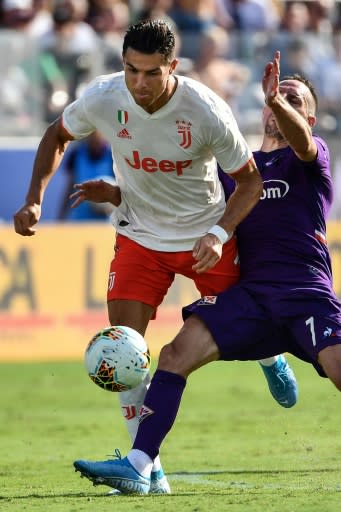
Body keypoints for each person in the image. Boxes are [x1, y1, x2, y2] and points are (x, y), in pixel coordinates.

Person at [13, 20, 296, 494]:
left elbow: (249, 183)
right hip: (139, 238)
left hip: (203, 240)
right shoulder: (106, 97)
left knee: (251, 327)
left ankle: (270, 358)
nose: (138, 84)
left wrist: (218, 233)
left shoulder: (206, 110)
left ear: (173, 67)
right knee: (122, 351)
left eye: (150, 73)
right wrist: (35, 198)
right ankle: (148, 471)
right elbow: (56, 135)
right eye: (130, 70)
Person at [72, 50, 341, 495]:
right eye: (283, 96)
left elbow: (302, 141)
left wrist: (276, 100)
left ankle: (272, 361)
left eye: (298, 101)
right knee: (174, 355)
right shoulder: (237, 170)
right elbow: (176, 200)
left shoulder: (312, 162)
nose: (287, 103)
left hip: (304, 294)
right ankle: (141, 466)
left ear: (310, 118)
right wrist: (118, 193)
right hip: (250, 297)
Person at [58, 130, 116, 221]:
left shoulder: (113, 154)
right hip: (81, 221)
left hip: (107, 222)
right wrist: (61, 217)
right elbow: (69, 187)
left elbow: (121, 189)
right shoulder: (76, 153)